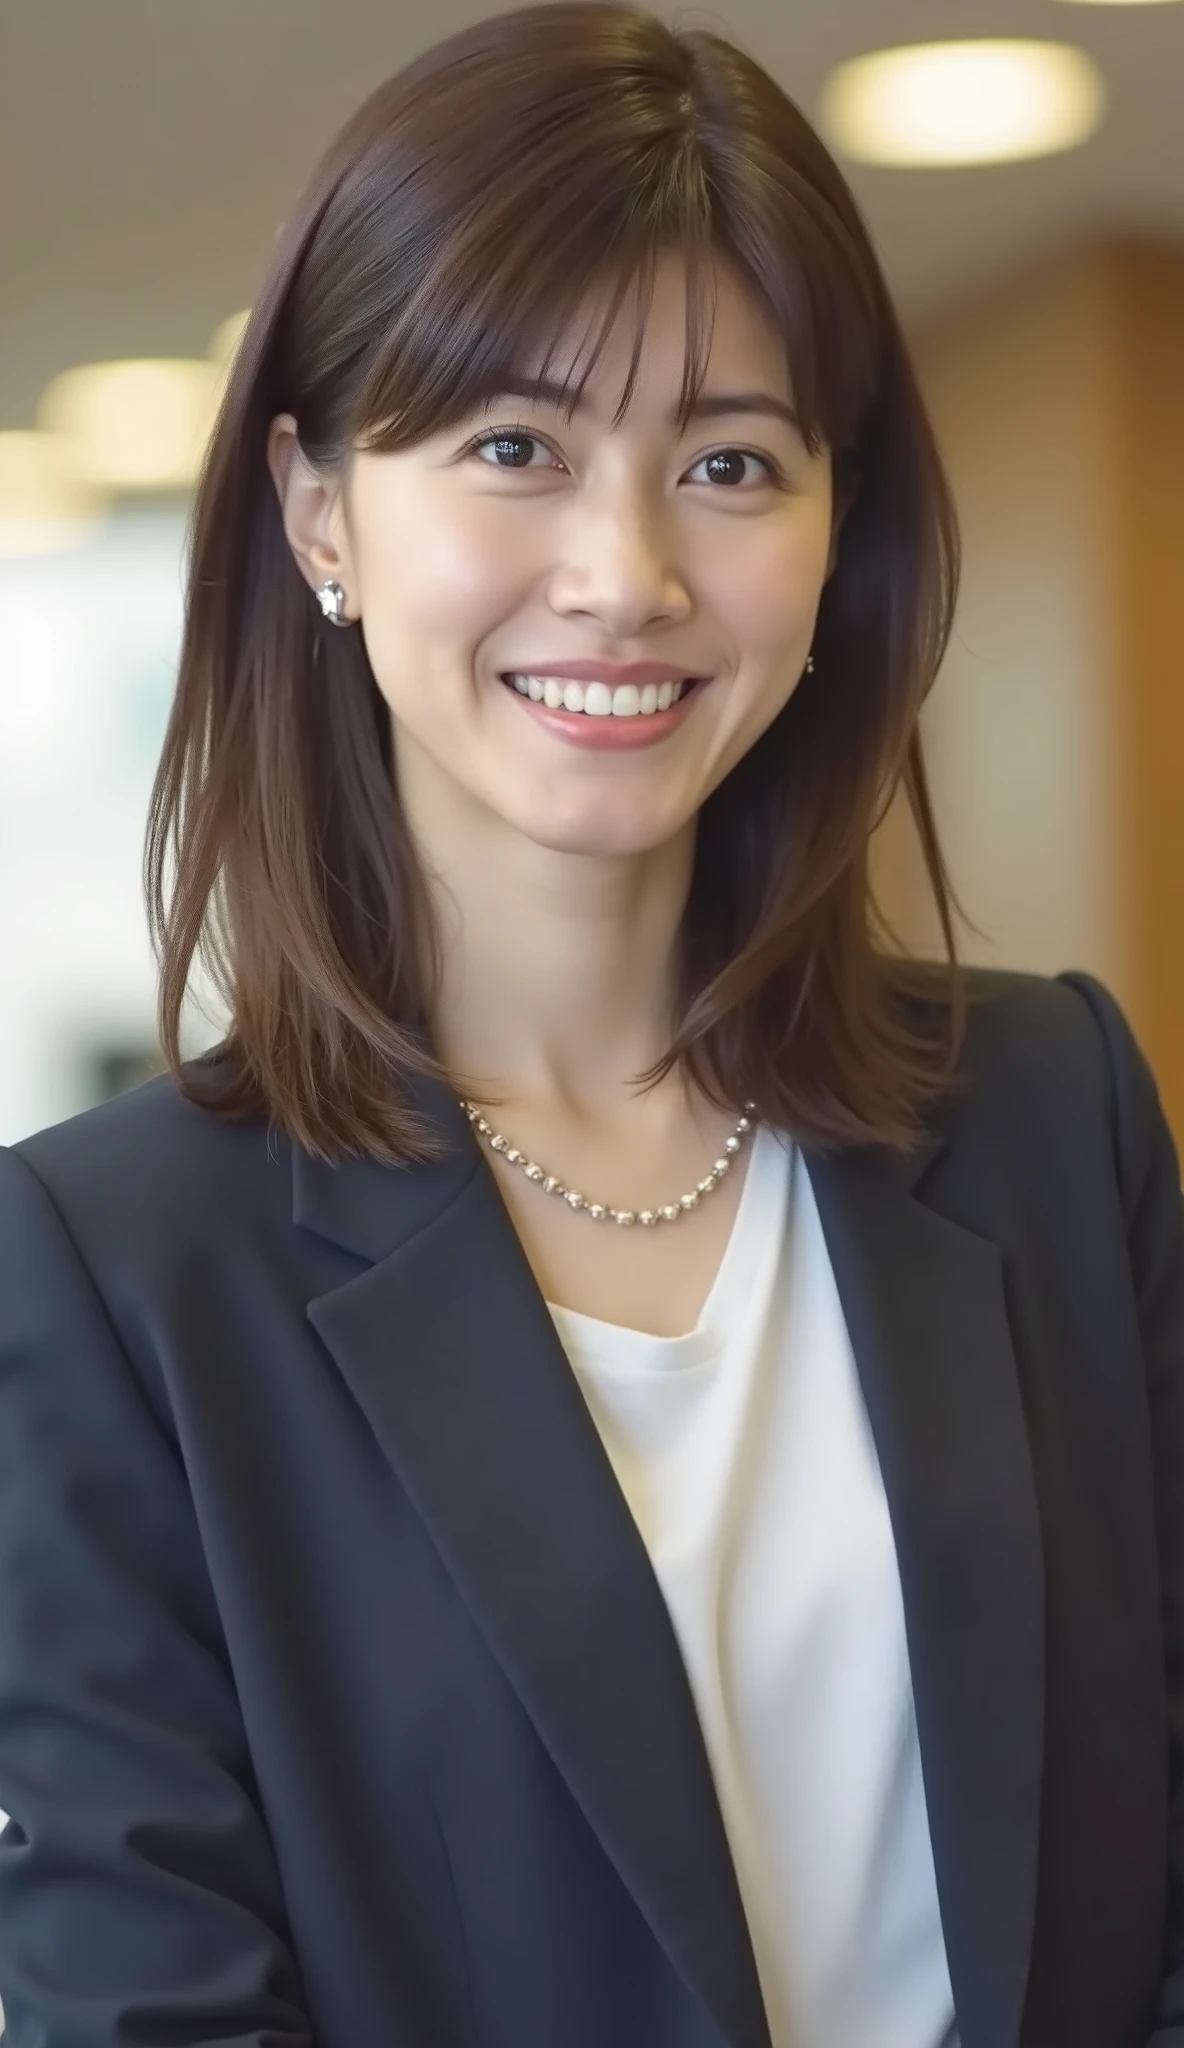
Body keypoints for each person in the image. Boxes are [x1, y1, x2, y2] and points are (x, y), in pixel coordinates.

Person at [0, 3, 1181, 2043]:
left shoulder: (1051, 1112)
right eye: (513, 449)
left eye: (728, 463)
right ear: (320, 513)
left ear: (834, 528)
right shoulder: (112, 1273)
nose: (626, 573)